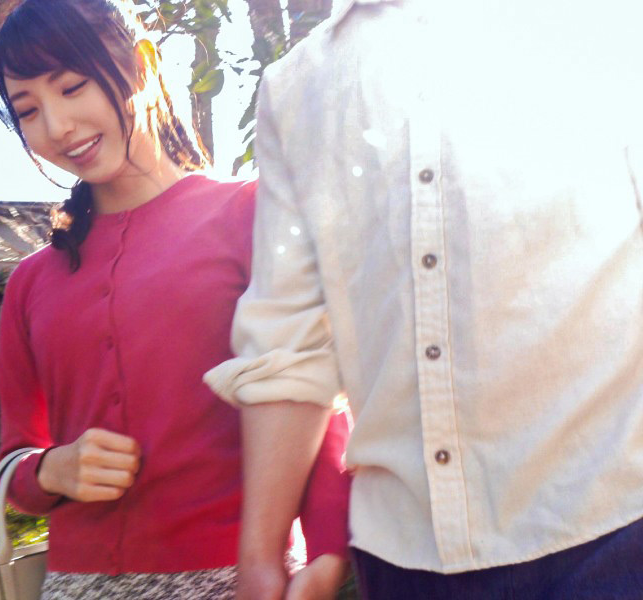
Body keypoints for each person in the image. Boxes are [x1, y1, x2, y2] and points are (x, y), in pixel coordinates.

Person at [204, 0, 643, 598]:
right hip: (403, 561)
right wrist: (260, 556)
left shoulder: (601, 26)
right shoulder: (294, 90)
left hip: (618, 531)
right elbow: (289, 342)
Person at [0, 0, 351, 598]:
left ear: (142, 63)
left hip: (239, 579)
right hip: (75, 587)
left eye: (72, 87)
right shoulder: (29, 283)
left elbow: (314, 395)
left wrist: (327, 554)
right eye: (28, 110)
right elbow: (14, 463)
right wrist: (52, 469)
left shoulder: (252, 213)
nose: (57, 126)